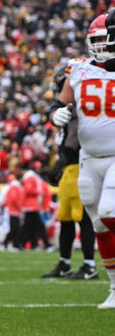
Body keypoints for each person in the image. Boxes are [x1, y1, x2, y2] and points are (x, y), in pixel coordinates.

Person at [50, 10, 115, 307]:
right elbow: (58, 104)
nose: (98, 45)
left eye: (104, 39)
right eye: (95, 39)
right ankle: (114, 289)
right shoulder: (77, 69)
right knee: (99, 225)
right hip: (88, 156)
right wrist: (56, 114)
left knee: (109, 212)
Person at [42, 67, 98, 279]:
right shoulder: (65, 106)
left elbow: (73, 133)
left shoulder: (78, 104)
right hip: (69, 167)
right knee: (65, 217)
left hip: (79, 164)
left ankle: (89, 266)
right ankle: (65, 264)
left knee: (83, 218)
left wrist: (61, 160)